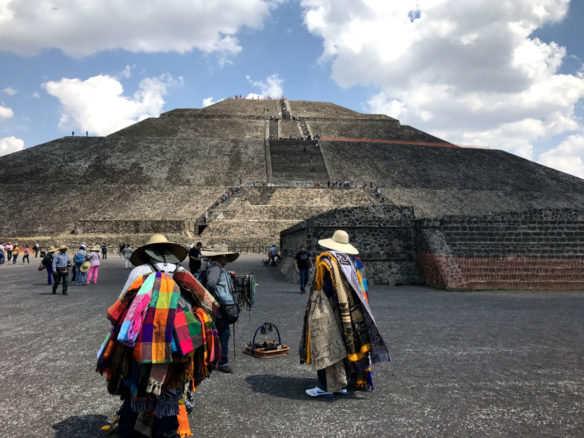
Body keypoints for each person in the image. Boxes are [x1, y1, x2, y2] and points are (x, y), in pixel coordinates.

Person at [99, 234, 219, 438]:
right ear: (170, 252)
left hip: (144, 341)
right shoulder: (182, 272)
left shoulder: (140, 271)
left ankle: (130, 430)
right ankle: (167, 431)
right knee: (171, 388)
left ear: (147, 252)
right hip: (178, 341)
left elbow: (123, 303)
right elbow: (207, 304)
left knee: (135, 387)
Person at [299, 230, 390, 397]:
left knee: (324, 345)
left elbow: (325, 288)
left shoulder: (326, 261)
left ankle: (324, 386)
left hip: (330, 310)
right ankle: (342, 384)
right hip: (349, 312)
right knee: (344, 347)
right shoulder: (350, 261)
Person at [200, 245, 240, 373]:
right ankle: (222, 361)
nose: (227, 259)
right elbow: (211, 284)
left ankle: (214, 359)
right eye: (225, 256)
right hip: (219, 306)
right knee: (223, 332)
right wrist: (213, 300)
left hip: (219, 305)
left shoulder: (217, 268)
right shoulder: (215, 269)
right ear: (220, 257)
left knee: (218, 331)